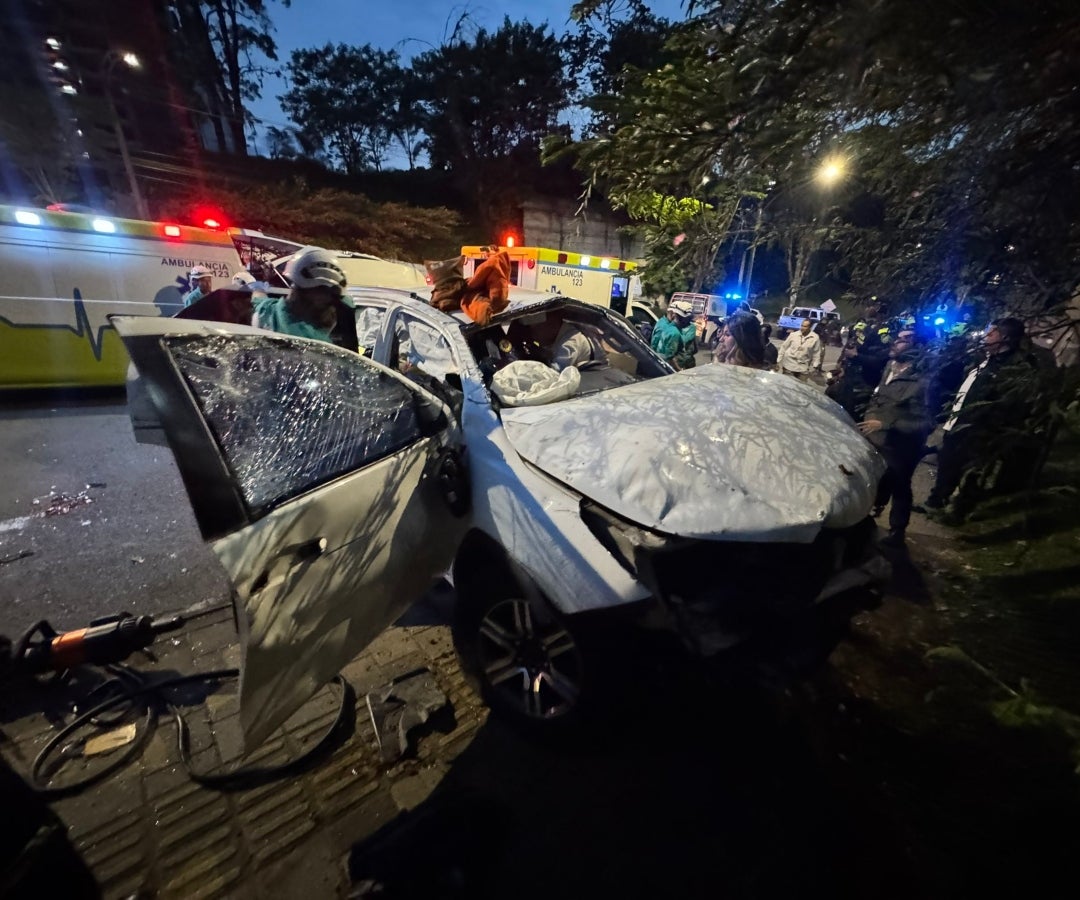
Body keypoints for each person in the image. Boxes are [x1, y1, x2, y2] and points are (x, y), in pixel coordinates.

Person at [926, 317, 1039, 512]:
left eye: (992, 333)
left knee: (971, 472)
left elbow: (1009, 404)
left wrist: (990, 428)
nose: (986, 337)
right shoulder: (984, 359)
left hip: (980, 430)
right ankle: (936, 501)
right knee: (947, 462)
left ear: (1005, 338)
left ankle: (960, 511)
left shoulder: (1014, 367)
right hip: (959, 423)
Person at [858, 328, 932, 547]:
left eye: (903, 340)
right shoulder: (890, 367)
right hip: (876, 439)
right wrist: (870, 416)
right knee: (872, 480)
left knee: (900, 485)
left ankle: (897, 531)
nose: (895, 343)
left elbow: (927, 422)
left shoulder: (923, 380)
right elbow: (877, 398)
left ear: (916, 348)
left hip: (902, 446)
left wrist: (888, 424)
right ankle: (867, 519)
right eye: (897, 338)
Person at [251, 245, 350, 344]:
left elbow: (258, 297)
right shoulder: (319, 345)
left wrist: (259, 283)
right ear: (320, 297)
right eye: (332, 300)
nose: (332, 309)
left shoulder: (268, 312)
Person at [651, 299, 698, 369]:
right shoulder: (674, 332)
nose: (688, 322)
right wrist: (678, 370)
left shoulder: (666, 325)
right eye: (687, 319)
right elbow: (670, 358)